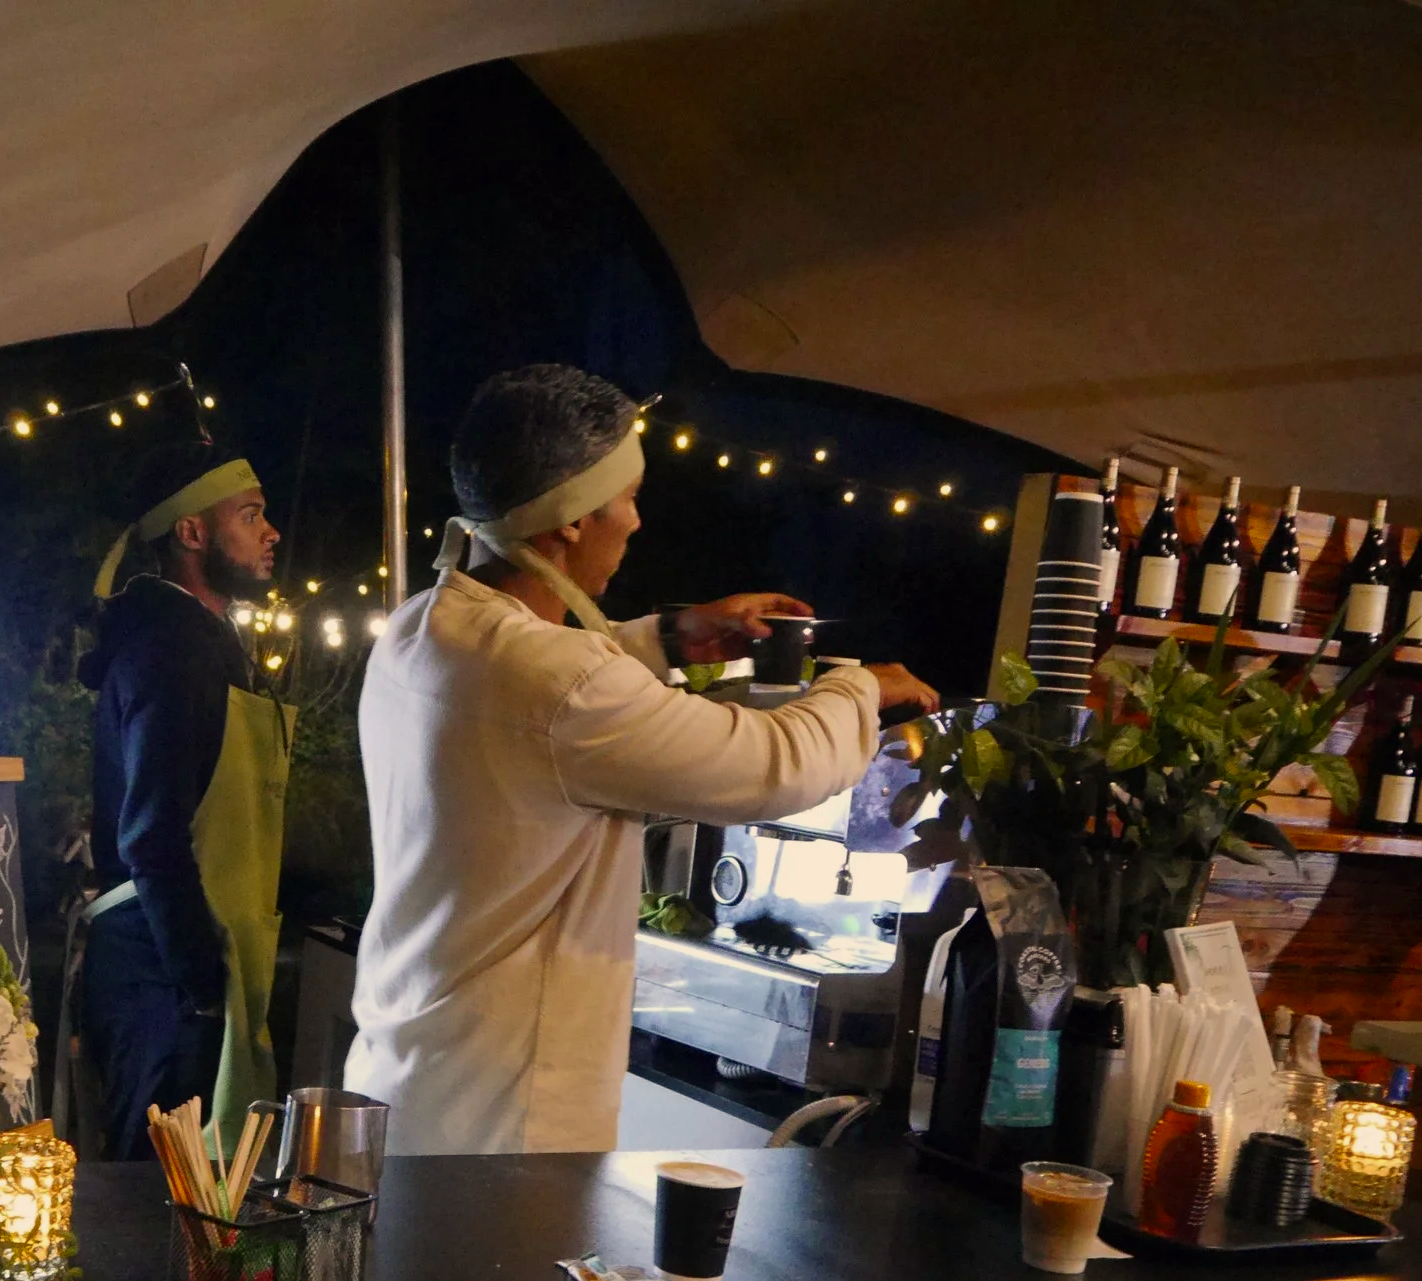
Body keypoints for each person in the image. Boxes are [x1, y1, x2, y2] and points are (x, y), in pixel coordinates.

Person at [345, 364, 939, 1156]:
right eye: (627, 498)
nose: (636, 521)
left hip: (412, 1082)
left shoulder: (424, 627)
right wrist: (859, 687)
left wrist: (667, 636)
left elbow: (536, 697)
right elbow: (775, 764)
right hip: (507, 1124)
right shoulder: (561, 687)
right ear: (570, 522)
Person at [71, 442, 292, 1160]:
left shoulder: (199, 638)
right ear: (192, 533)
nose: (271, 532)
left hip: (173, 949)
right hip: (158, 960)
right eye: (250, 515)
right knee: (159, 1194)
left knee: (197, 1187)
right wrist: (201, 983)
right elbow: (152, 836)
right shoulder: (172, 648)